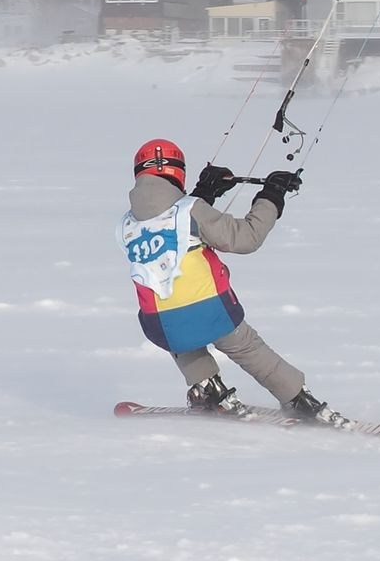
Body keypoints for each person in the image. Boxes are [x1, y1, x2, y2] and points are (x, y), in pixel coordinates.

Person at [121, 137, 344, 422]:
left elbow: (171, 227)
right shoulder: (191, 210)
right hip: (210, 311)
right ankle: (299, 400)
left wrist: (205, 193)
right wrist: (271, 197)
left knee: (178, 331)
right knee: (247, 347)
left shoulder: (127, 222)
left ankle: (207, 386)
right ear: (178, 173)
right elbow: (245, 238)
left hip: (156, 323)